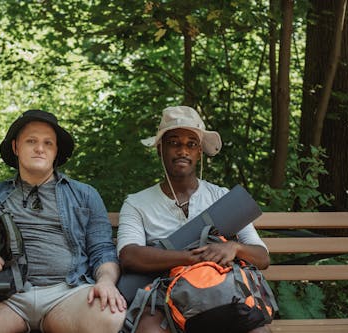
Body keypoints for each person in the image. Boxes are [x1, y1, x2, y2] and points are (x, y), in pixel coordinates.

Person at [0, 109, 126, 333]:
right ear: (15, 147)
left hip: (67, 293)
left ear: (56, 151)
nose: (40, 148)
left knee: (108, 317)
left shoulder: (84, 195)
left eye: (48, 143)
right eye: (31, 141)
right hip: (4, 297)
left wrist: (106, 281)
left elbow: (103, 250)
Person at [116, 106, 271, 333]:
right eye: (174, 143)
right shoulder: (137, 203)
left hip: (222, 292)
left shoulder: (223, 197)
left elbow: (263, 257)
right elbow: (129, 255)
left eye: (191, 144)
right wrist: (191, 258)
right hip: (164, 295)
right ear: (160, 149)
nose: (183, 150)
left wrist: (234, 248)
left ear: (200, 152)